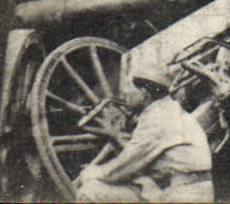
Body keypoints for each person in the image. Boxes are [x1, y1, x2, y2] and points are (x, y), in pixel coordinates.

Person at [73, 62, 213, 203]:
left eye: (128, 90)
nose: (124, 95)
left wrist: (94, 172)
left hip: (183, 196)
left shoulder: (158, 118)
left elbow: (125, 166)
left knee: (90, 191)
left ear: (144, 93)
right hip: (182, 191)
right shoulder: (167, 110)